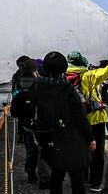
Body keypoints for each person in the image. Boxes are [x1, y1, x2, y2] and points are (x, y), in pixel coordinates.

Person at [66, 51, 108, 192]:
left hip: (75, 121)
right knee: (97, 154)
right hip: (95, 118)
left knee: (80, 151)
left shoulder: (62, 76)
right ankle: (96, 183)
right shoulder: (89, 75)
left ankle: (82, 179)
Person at [32, 51, 95, 194]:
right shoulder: (67, 88)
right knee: (77, 177)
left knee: (56, 174)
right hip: (72, 139)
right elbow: (80, 116)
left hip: (50, 138)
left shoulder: (37, 86)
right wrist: (90, 137)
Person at [10, 58, 50, 188]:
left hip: (26, 124)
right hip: (41, 123)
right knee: (43, 150)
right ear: (34, 70)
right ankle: (44, 179)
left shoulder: (18, 84)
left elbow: (14, 110)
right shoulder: (40, 84)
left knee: (30, 150)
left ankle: (31, 174)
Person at [12, 55, 32, 143]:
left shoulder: (17, 74)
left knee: (21, 118)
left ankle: (21, 136)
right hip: (32, 98)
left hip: (20, 99)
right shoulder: (34, 73)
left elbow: (14, 88)